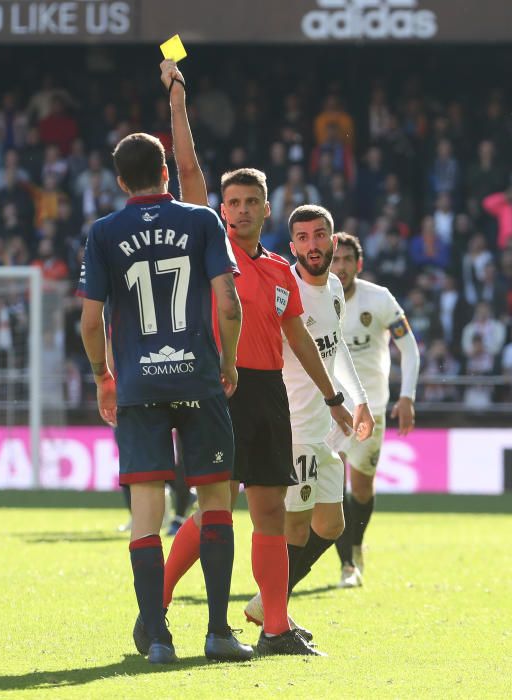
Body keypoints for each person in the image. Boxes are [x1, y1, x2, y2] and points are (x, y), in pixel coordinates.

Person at [158, 59, 365, 656]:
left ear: (266, 209)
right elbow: (189, 170)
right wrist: (177, 102)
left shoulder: (279, 270)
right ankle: (160, 602)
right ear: (220, 210)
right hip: (221, 387)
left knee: (271, 511)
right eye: (233, 202)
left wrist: (333, 399)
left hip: (269, 390)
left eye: (252, 201)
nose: (242, 210)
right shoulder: (210, 244)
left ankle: (275, 628)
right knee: (213, 507)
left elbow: (297, 335)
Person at [78, 130, 253, 664]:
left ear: (120, 180)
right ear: (164, 174)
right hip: (198, 379)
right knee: (216, 503)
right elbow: (229, 303)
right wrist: (226, 365)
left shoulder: (104, 232)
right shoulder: (201, 221)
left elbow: (90, 320)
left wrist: (103, 377)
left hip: (139, 385)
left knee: (146, 513)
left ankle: (157, 637)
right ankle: (219, 632)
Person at [243, 204, 374, 630]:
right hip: (296, 426)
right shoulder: (284, 289)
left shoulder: (334, 286)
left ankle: (268, 603)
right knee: (294, 527)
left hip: (327, 427)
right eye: (302, 238)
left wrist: (359, 400)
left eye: (319, 236)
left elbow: (335, 352)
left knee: (332, 524)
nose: (312, 245)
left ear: (332, 242)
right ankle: (273, 614)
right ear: (293, 244)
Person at [331, 232, 420, 586]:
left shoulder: (379, 299)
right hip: (330, 407)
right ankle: (347, 566)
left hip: (373, 408)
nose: (340, 266)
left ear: (359, 264)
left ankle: (355, 546)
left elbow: (409, 348)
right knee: (332, 486)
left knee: (361, 490)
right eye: (335, 259)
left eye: (347, 260)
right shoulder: (316, 297)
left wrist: (408, 396)